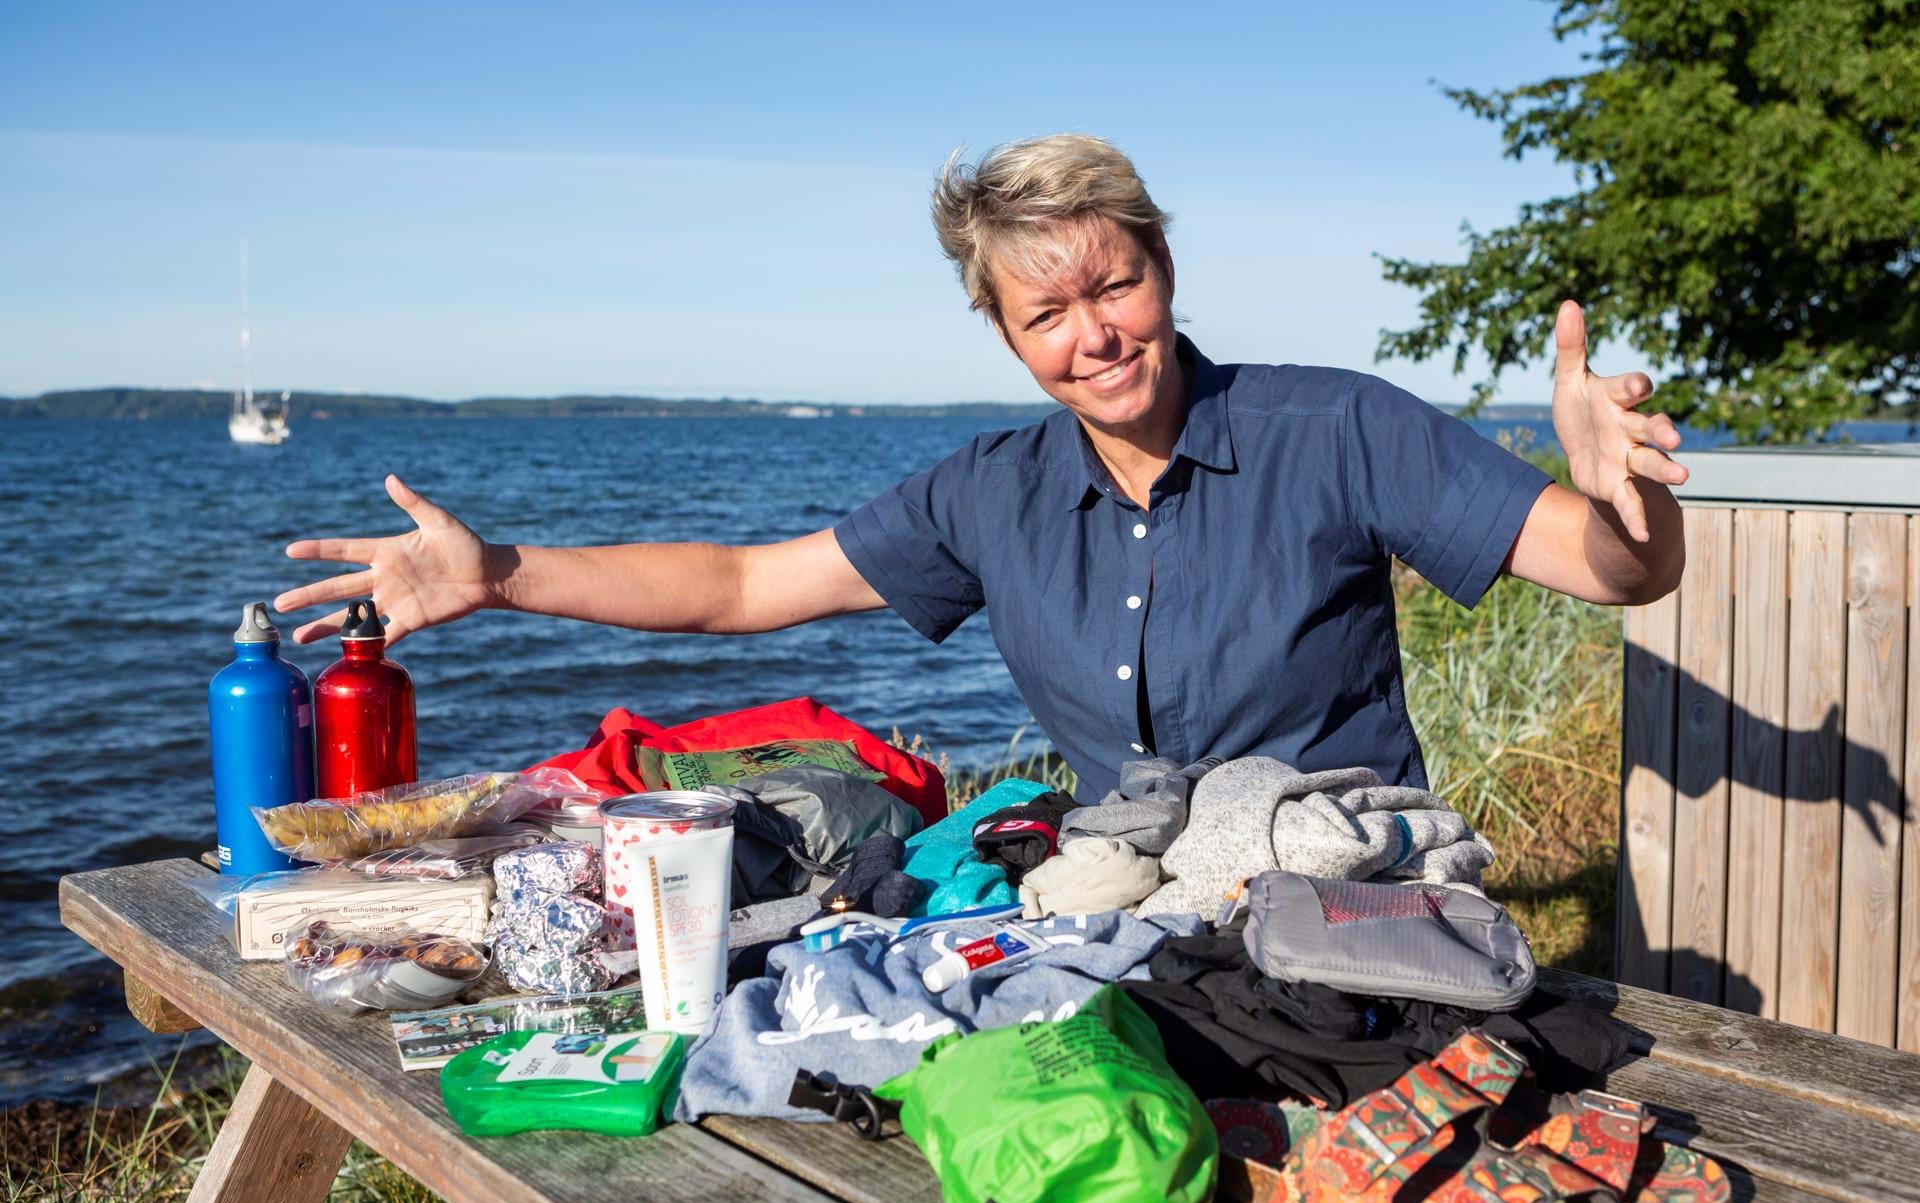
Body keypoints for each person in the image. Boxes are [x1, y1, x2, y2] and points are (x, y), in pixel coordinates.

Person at [275, 134, 1687, 802]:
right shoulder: (989, 495)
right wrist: (498, 574)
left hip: (1355, 897)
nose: (1096, 336)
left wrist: (1628, 502)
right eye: (1047, 314)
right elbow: (740, 587)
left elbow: (1613, 573)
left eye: (1115, 285)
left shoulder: (1335, 426)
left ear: (1164, 268)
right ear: (1006, 335)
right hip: (1134, 915)